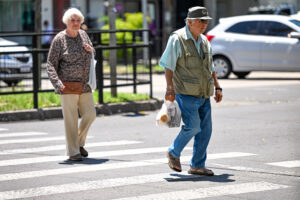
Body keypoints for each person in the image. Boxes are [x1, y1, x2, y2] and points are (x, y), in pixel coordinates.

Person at [159, 6, 223, 176]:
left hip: (204, 93)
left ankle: (197, 165)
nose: (204, 25)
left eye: (206, 21)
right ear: (189, 22)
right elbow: (168, 65)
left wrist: (217, 86)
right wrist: (169, 88)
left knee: (205, 131)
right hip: (185, 92)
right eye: (200, 21)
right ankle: (173, 152)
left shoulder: (204, 40)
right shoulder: (177, 39)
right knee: (193, 127)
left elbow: (210, 66)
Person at [47, 8, 96, 161]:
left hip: (84, 84)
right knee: (71, 120)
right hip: (66, 86)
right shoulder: (59, 39)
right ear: (66, 22)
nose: (75, 23)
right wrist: (57, 83)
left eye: (78, 21)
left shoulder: (83, 35)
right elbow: (50, 63)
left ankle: (79, 142)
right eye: (72, 20)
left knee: (90, 114)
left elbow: (92, 53)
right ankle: (73, 152)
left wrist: (91, 49)